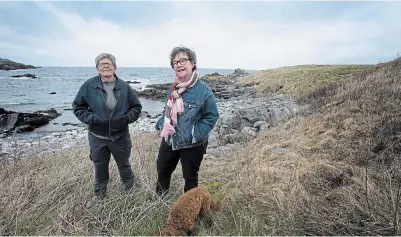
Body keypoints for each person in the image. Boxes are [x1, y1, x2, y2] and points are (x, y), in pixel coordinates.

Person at [72, 53, 142, 199]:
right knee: (100, 170)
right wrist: (92, 118)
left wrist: (126, 118)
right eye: (101, 64)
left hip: (120, 136)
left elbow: (136, 107)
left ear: (114, 67)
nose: (105, 67)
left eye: (108, 64)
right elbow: (78, 107)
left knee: (124, 166)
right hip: (97, 137)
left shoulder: (125, 87)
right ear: (97, 69)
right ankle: (101, 198)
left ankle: (131, 194)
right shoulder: (88, 86)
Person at [155, 46, 219, 195]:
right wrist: (161, 124)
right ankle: (159, 202)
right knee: (162, 170)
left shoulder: (203, 90)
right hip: (170, 139)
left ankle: (190, 210)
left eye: (183, 60)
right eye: (175, 62)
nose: (179, 64)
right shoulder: (173, 88)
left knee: (190, 178)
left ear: (192, 63)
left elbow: (212, 116)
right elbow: (167, 111)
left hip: (193, 143)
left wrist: (194, 133)